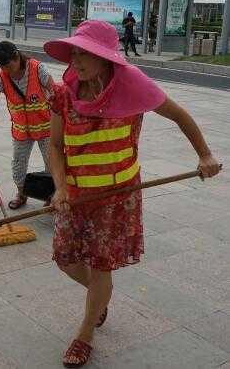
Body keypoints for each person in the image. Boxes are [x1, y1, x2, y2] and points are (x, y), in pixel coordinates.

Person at [43, 20, 221, 368]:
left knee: (101, 268)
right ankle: (100, 300)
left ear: (107, 57)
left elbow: (180, 115)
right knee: (66, 261)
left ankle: (85, 334)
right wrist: (60, 186)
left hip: (117, 196)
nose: (76, 61)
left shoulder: (132, 85)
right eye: (74, 53)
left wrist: (204, 154)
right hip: (78, 196)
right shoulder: (64, 93)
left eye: (85, 54)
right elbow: (54, 145)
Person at [0, 41, 53, 209]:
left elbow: (56, 93)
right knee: (18, 163)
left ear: (17, 57)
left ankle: (51, 194)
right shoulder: (0, 77)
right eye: (2, 67)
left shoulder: (38, 69)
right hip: (21, 129)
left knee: (52, 163)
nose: (6, 71)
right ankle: (21, 193)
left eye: (8, 66)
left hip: (46, 127)